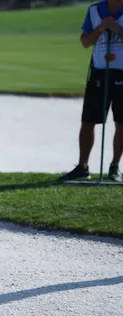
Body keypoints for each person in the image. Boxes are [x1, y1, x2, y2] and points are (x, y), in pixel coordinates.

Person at [60, 0, 123, 182]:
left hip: (122, 72)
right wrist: (101, 29)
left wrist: (117, 29)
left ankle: (114, 168)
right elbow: (85, 42)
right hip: (99, 72)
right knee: (88, 120)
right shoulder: (95, 10)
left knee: (121, 121)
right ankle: (83, 167)